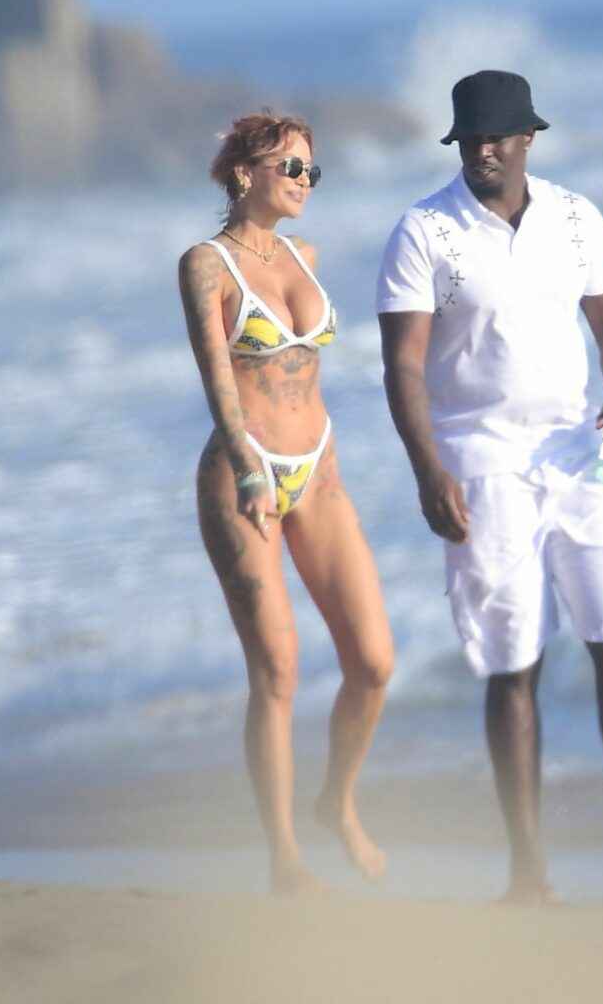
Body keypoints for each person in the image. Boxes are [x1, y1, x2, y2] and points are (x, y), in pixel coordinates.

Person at [376, 71, 603, 904]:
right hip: (480, 460)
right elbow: (404, 367)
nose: (484, 150)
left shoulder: (574, 218)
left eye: (498, 136)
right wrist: (428, 469)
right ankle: (528, 872)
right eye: (470, 138)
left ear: (529, 138)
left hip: (578, 452)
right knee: (513, 662)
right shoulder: (424, 232)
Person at [179, 111, 393, 894]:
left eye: (312, 170)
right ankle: (286, 859)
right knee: (277, 670)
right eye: (291, 167)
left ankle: (337, 801)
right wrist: (246, 468)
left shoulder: (307, 256)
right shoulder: (206, 265)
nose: (305, 181)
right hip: (245, 473)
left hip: (320, 469)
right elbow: (217, 381)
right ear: (245, 173)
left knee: (374, 661)